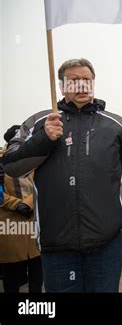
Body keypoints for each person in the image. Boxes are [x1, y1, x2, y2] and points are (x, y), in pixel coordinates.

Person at [3, 58, 122, 292]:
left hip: (106, 243)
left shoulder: (115, 125)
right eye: (74, 80)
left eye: (86, 80)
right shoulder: (42, 122)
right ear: (61, 86)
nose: (82, 85)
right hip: (56, 245)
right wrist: (43, 139)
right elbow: (11, 165)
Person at [0, 125, 43, 293]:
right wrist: (16, 204)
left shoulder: (35, 160)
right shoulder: (2, 161)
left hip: (33, 223)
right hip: (10, 226)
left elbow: (43, 184)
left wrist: (30, 203)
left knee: (37, 277)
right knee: (12, 279)